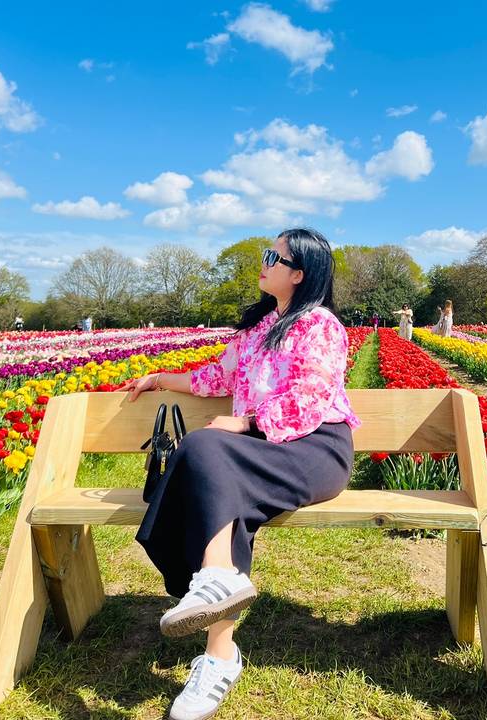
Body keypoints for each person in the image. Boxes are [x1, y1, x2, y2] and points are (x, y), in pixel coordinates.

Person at [118, 228, 360, 720]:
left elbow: (310, 396)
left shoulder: (320, 325)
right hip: (261, 450)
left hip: (314, 447)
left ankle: (214, 584)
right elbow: (216, 377)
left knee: (206, 447)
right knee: (223, 489)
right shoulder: (258, 328)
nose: (263, 261)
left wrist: (247, 422)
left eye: (275, 256)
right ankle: (219, 644)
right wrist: (159, 378)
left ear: (299, 274)